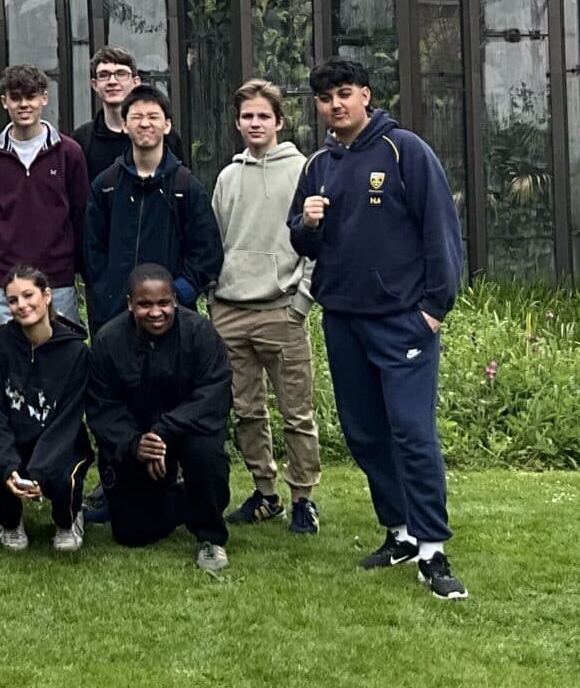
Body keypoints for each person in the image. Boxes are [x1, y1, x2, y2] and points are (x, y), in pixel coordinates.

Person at [291, 57, 468, 601]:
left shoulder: (404, 151)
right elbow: (301, 241)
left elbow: (441, 232)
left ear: (366, 96)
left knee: (412, 433)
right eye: (325, 98)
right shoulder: (319, 163)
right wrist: (308, 224)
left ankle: (434, 550)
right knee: (365, 433)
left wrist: (433, 309)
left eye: (345, 93)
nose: (335, 105)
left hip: (402, 322)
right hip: (343, 317)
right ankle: (401, 531)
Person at [210, 77, 323, 535]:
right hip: (231, 311)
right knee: (247, 411)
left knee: (297, 412)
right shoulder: (227, 176)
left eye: (263, 116)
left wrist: (301, 301)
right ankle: (264, 492)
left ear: (279, 121)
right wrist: (216, 298)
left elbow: (318, 243)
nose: (255, 123)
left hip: (282, 309)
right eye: (247, 116)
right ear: (237, 122)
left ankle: (303, 498)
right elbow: (216, 240)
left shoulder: (303, 171)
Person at [86, 264, 233, 575]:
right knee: (131, 534)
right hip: (138, 440)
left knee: (207, 455)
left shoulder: (200, 333)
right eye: (145, 304)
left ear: (175, 301)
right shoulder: (108, 341)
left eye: (164, 302)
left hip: (190, 431)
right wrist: (135, 443)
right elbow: (103, 407)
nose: (156, 312)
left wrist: (164, 430)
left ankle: (210, 537)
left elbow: (214, 395)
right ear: (130, 304)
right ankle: (183, 498)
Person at [0, 266, 91, 553]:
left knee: (64, 476)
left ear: (47, 295)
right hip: (13, 440)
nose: (22, 305)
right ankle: (10, 521)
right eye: (13, 300)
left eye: (29, 295)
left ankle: (68, 518)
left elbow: (68, 420)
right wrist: (8, 466)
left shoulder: (77, 353)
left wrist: (40, 472)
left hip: (59, 443)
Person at [82, 85, 221, 325]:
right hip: (115, 319)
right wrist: (108, 297)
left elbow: (207, 253)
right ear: (125, 125)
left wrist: (174, 295)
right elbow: (91, 253)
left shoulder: (186, 187)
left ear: (167, 125)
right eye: (136, 117)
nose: (145, 123)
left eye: (153, 116)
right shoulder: (106, 185)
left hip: (171, 318)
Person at [0, 63, 89, 333]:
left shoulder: (69, 152)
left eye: (31, 96)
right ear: (5, 102)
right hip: (2, 280)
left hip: (55, 280)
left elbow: (79, 214)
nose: (24, 104)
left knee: (59, 360)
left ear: (44, 99)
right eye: (16, 97)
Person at [71, 47, 138, 180]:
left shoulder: (160, 135)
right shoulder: (80, 141)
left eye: (121, 73)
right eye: (104, 75)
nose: (112, 81)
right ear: (94, 85)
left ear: (136, 82)